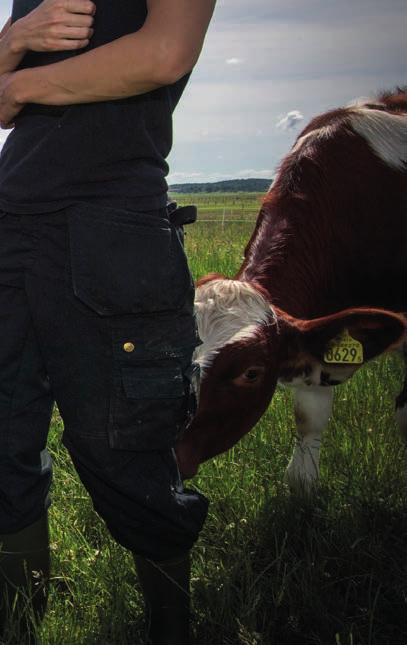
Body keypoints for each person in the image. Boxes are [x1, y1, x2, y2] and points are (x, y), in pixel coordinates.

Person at [0, 0, 216, 643]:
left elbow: (165, 51)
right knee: (2, 439)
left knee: (124, 447)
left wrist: (18, 78)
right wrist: (13, 40)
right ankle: (18, 622)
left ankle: (171, 630)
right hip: (11, 221)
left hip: (112, 224)